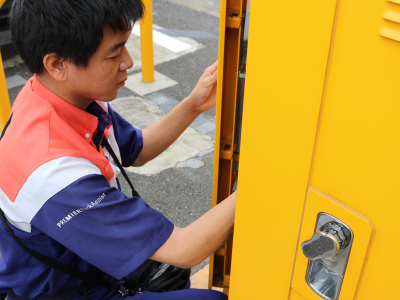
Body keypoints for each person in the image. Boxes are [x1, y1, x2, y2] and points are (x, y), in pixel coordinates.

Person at [0, 0, 236, 299]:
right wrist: (263, 175)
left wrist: (192, 105)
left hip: (90, 266)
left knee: (173, 277)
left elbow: (137, 150)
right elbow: (185, 249)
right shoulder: (52, 172)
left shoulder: (57, 95)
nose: (128, 61)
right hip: (68, 291)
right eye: (114, 53)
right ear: (58, 64)